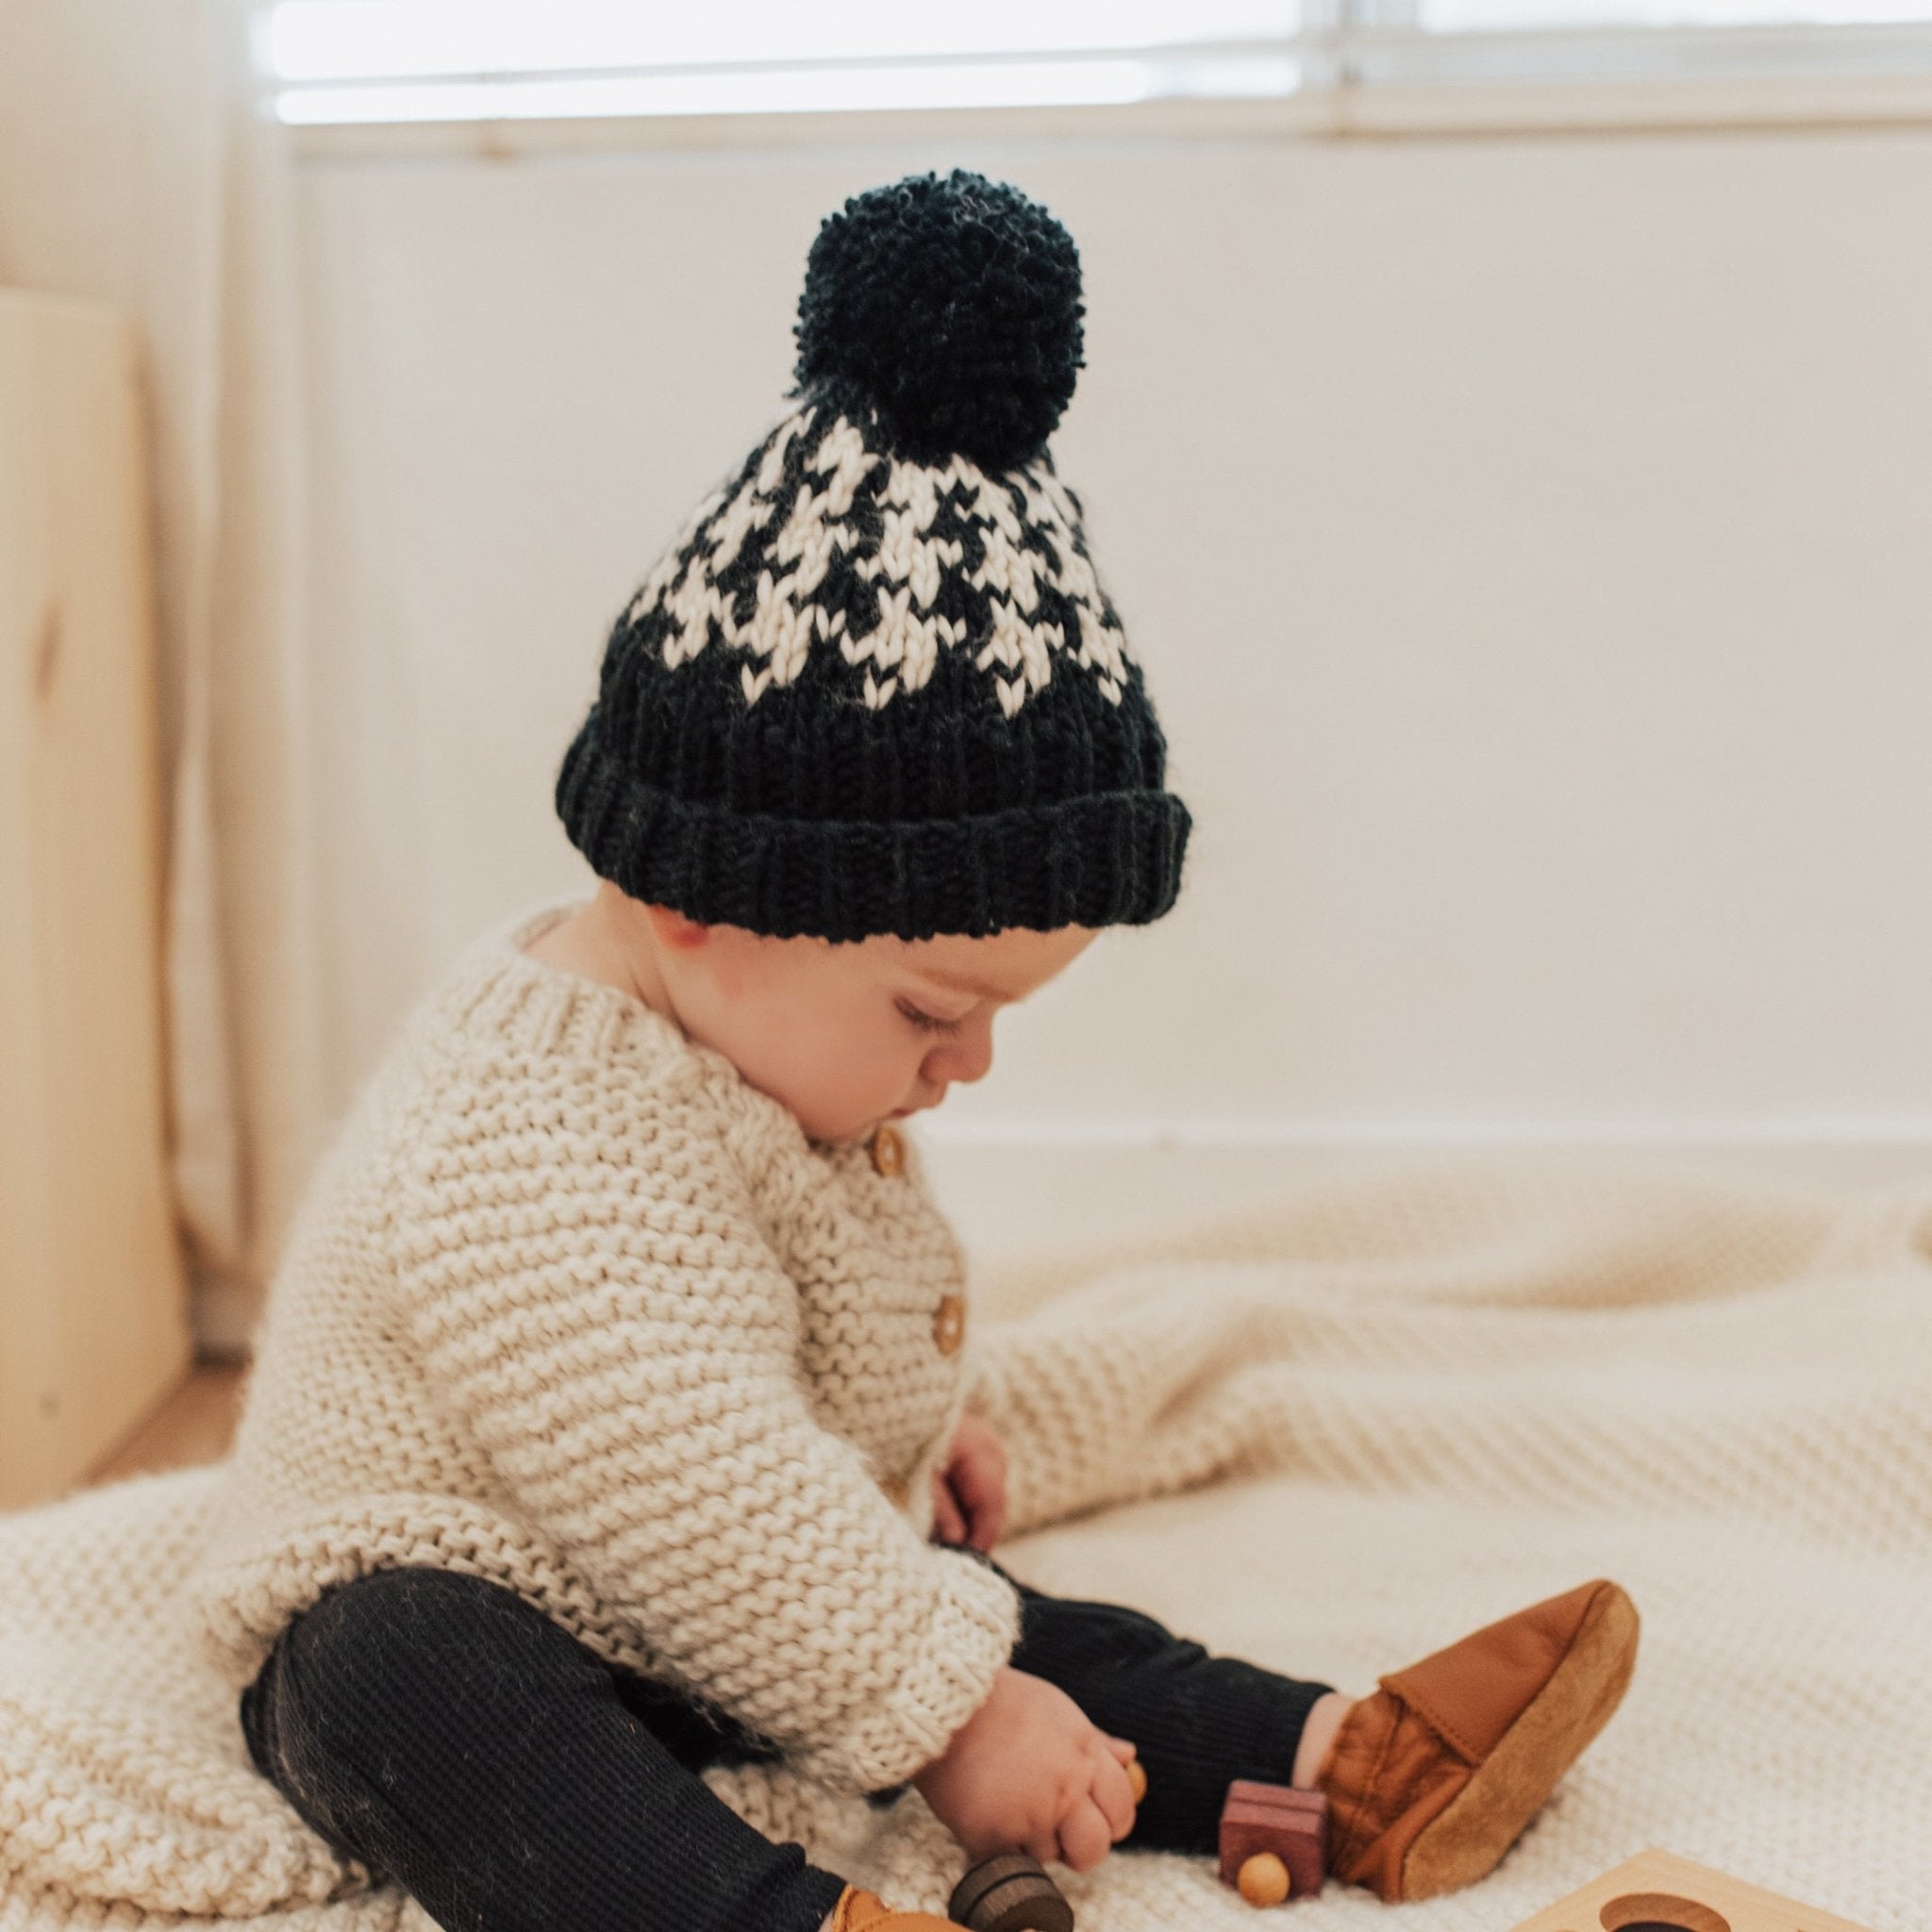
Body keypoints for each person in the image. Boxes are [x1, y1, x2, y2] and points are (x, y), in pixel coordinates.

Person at [191, 170, 1640, 1932]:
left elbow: (769, 1362)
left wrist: (903, 1447)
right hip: (462, 1577)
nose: (963, 1072)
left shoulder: (746, 1046)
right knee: (410, 1679)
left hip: (686, 1599)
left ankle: (1342, 1766)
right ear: (700, 897)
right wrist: (951, 1718)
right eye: (933, 1014)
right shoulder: (523, 1136)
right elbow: (681, 1463)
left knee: (1008, 1618)